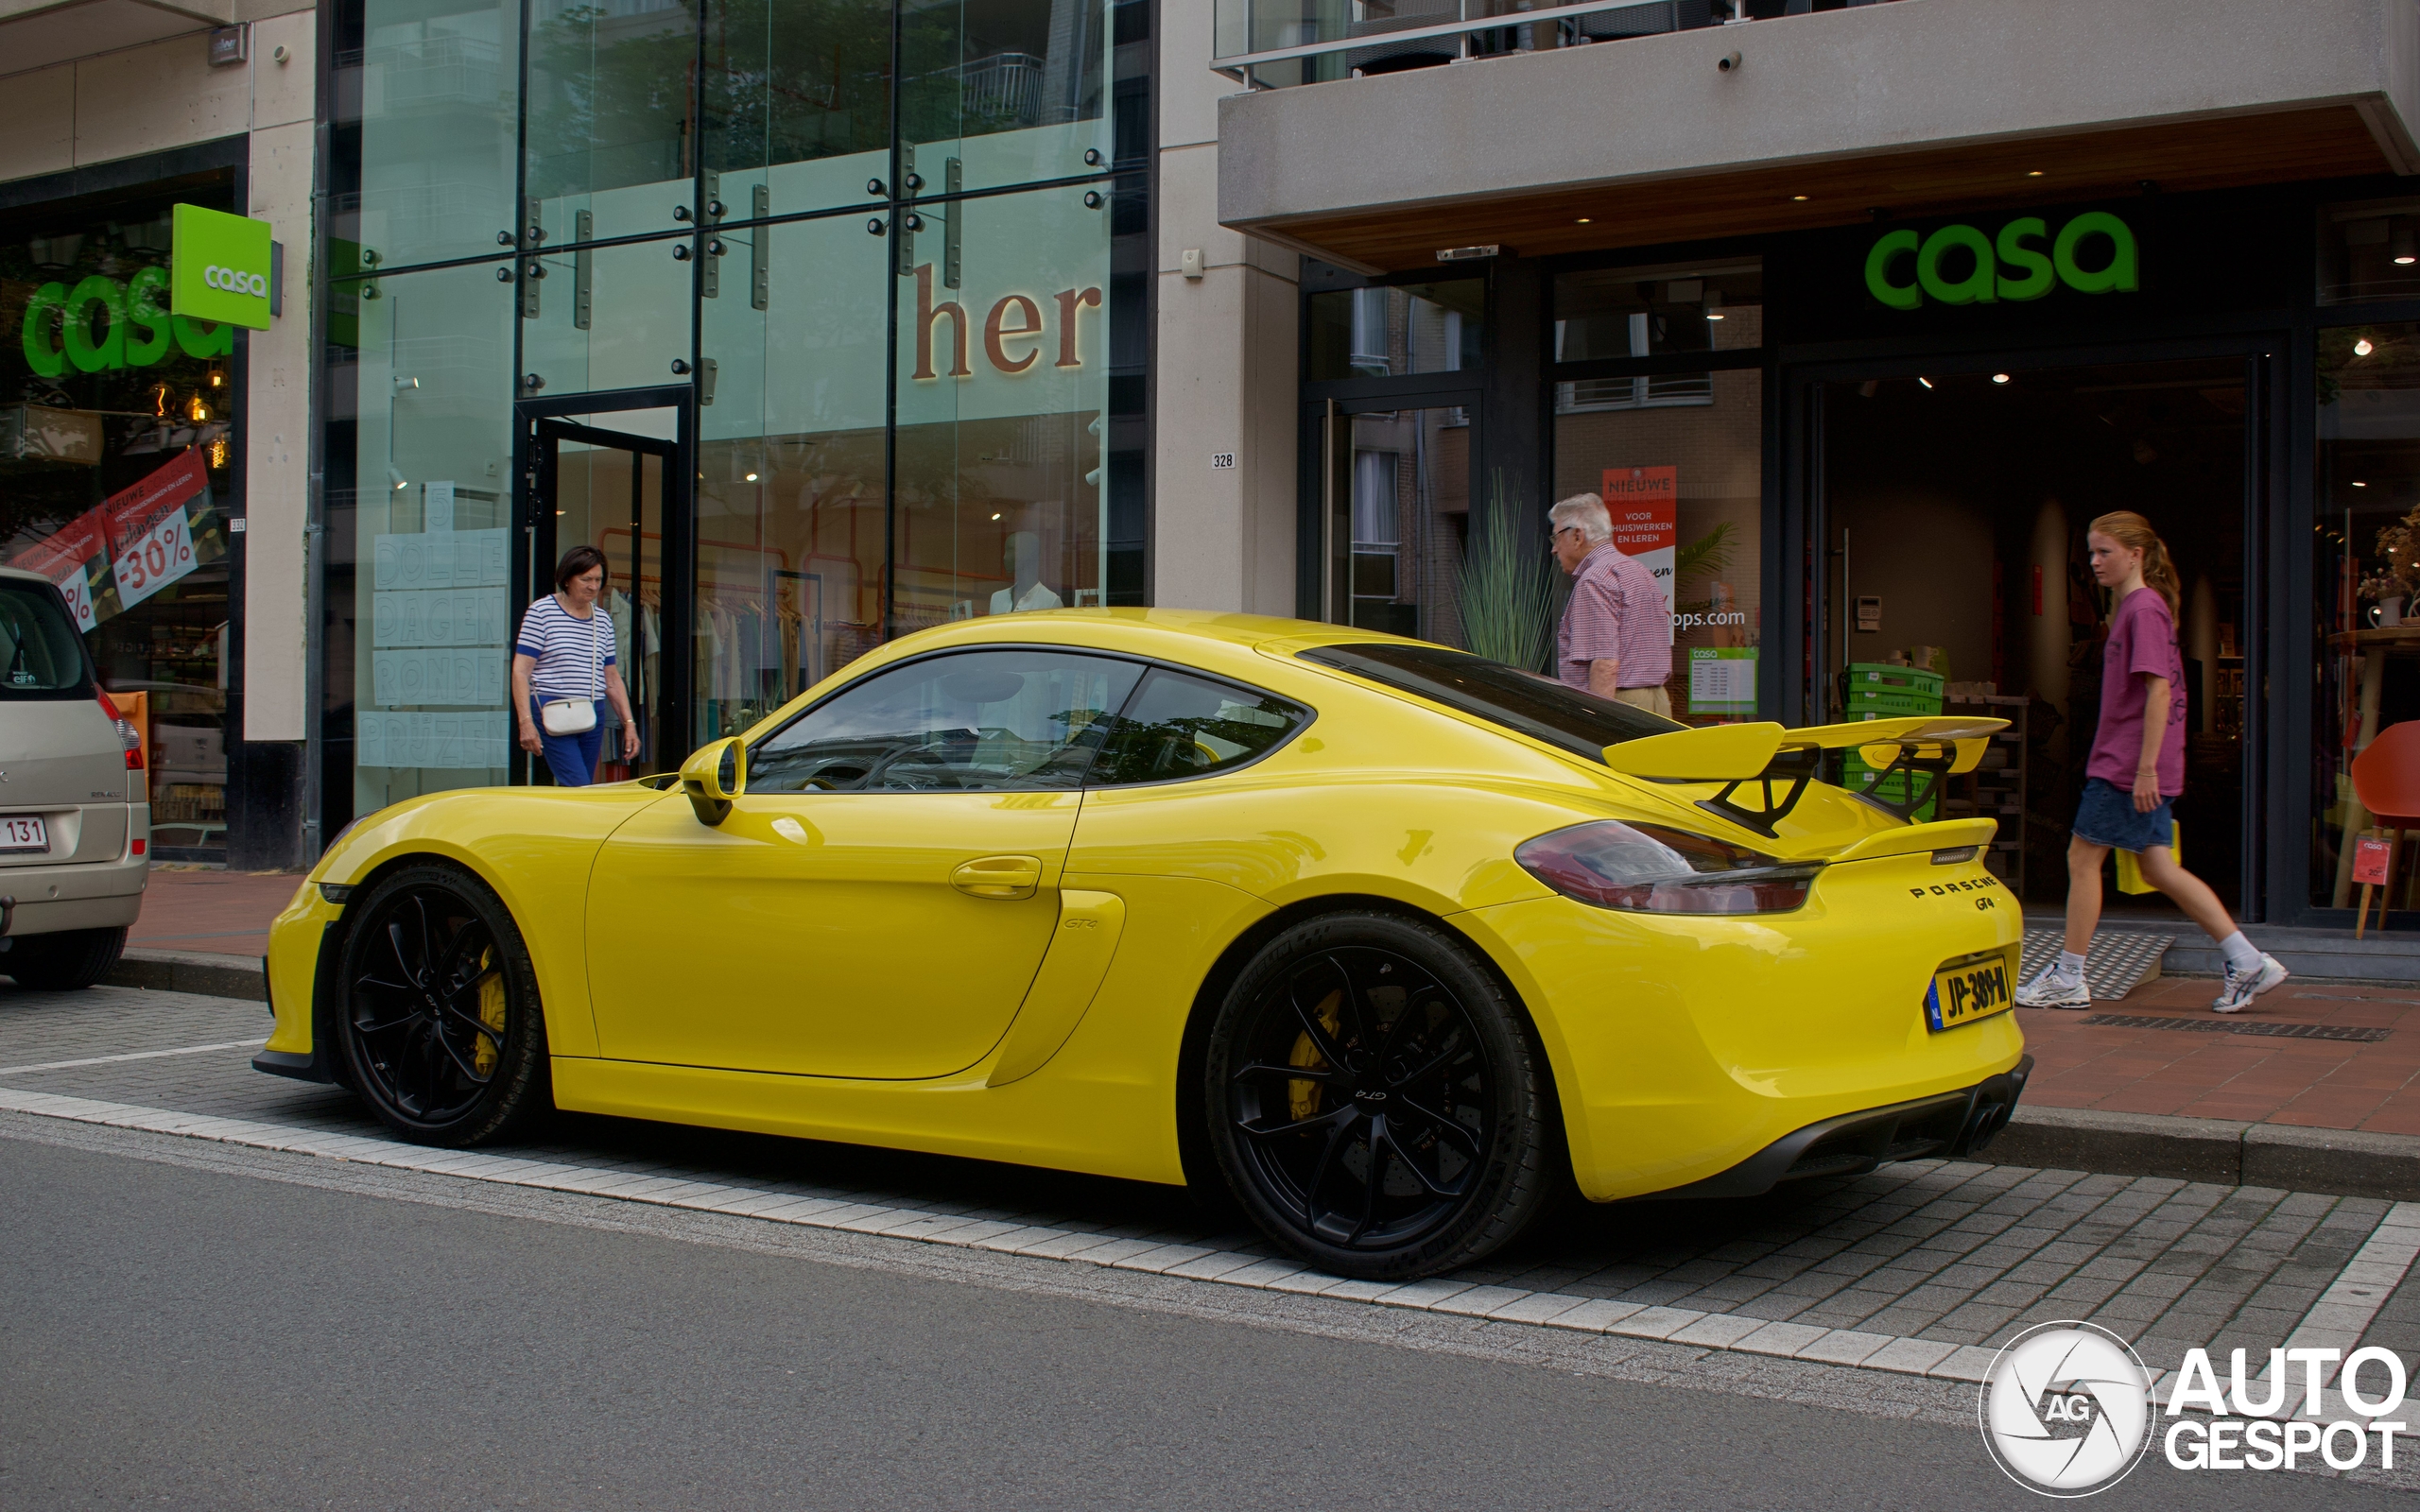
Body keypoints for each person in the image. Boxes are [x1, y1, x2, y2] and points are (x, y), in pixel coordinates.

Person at [2015, 512, 2286, 1014]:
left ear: (2135, 554)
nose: (2094, 561)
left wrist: (2144, 770)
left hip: (2125, 766)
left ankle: (2070, 976)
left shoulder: (2142, 610)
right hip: (2136, 764)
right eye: (2092, 552)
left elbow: (2157, 691)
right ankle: (2246, 958)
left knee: (2082, 859)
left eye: (2105, 552)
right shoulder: (2141, 609)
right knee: (2160, 867)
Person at [512, 544, 640, 786]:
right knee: (580, 786)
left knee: (581, 787)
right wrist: (526, 722)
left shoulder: (602, 619)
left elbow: (611, 677)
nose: (593, 586)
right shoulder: (541, 612)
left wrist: (629, 724)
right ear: (567, 579)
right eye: (586, 579)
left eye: (598, 579)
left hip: (591, 711)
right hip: (552, 709)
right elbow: (520, 671)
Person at [1549, 491, 1673, 714]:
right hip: (1658, 701)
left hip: (1620, 702)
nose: (1554, 548)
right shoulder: (1639, 571)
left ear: (1577, 536)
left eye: (1556, 538)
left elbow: (1605, 664)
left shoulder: (1595, 579)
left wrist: (1599, 719)